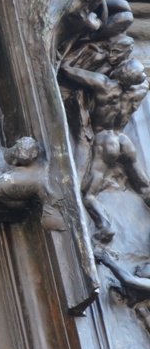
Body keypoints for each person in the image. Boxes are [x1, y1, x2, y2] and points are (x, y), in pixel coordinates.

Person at [59, 59, 150, 239]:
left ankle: (104, 226)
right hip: (123, 140)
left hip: (105, 142)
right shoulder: (141, 89)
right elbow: (144, 79)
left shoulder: (104, 85)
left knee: (88, 194)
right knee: (144, 187)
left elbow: (67, 71)